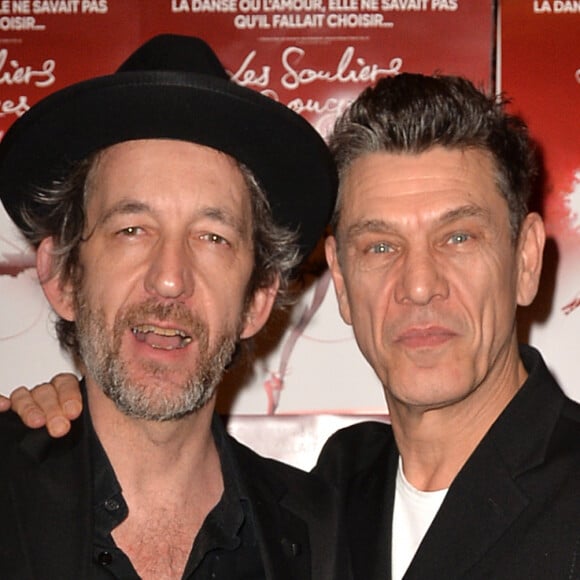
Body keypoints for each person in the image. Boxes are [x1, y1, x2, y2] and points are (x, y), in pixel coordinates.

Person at [6, 74, 580, 578]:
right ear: (342, 277)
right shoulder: (329, 500)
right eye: (380, 245)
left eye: (458, 237)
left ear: (526, 260)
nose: (420, 284)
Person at [0, 34, 348, 579]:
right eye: (132, 229)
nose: (169, 279)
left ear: (257, 300)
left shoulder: (317, 536)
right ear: (62, 275)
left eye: (212, 237)